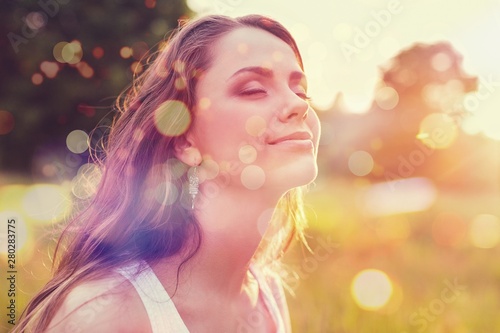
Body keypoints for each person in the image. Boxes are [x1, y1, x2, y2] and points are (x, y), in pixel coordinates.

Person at [14, 13, 320, 333]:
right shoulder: (103, 315)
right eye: (254, 89)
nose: (298, 105)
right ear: (185, 139)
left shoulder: (266, 295)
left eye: (301, 91)